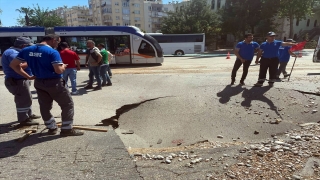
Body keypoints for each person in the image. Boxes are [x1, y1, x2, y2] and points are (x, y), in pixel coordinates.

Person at [10, 34, 84, 137]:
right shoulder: (52, 52)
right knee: (67, 104)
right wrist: (63, 66)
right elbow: (58, 70)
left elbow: (13, 65)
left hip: (39, 82)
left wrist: (28, 76)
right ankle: (66, 129)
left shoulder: (27, 50)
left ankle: (51, 127)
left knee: (44, 106)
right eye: (57, 42)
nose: (57, 44)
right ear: (53, 40)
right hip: (55, 82)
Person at [2, 37, 41, 126]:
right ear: (23, 45)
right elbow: (18, 66)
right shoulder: (12, 53)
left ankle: (29, 115)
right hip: (17, 80)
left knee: (27, 98)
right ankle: (24, 120)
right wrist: (31, 60)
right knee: (22, 100)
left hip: (21, 79)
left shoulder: (17, 52)